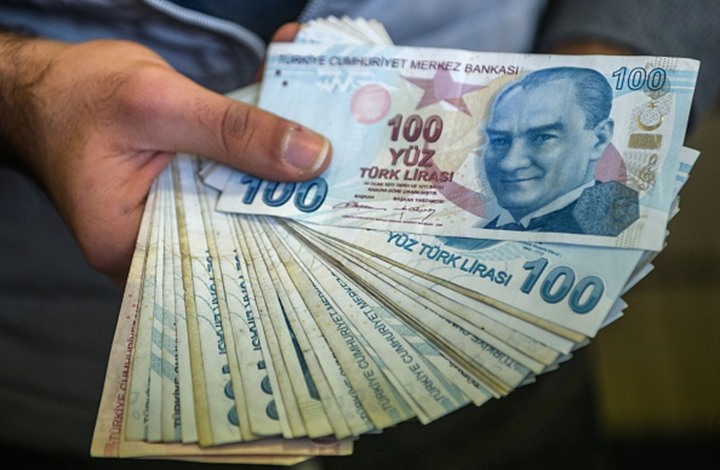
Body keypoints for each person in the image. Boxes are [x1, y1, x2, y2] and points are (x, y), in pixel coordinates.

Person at [1, 1, 719, 469]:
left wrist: (611, 59)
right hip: (75, 349)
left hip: (485, 351)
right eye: (505, 140)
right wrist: (23, 89)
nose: (514, 158)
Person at [482, 66, 639, 236]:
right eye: (499, 140)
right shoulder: (477, 233)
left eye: (542, 137)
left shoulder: (629, 225)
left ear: (599, 139)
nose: (509, 163)